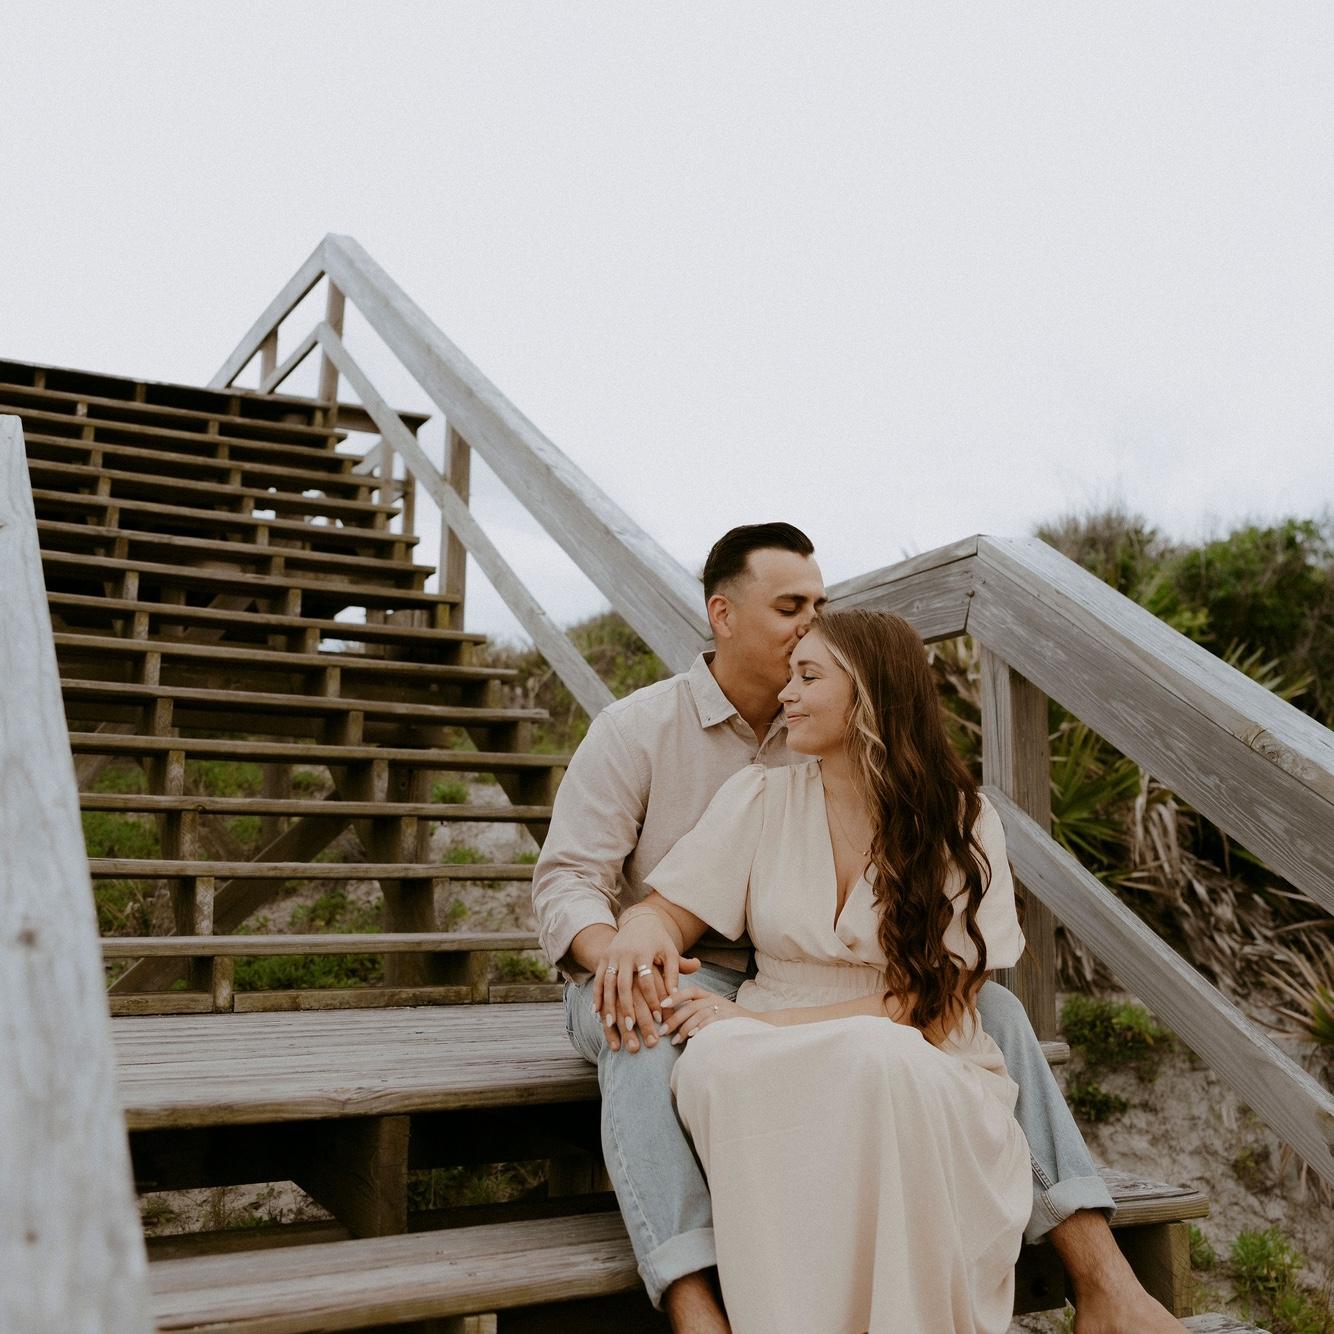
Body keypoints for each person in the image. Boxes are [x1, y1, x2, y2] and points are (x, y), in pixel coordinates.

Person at [533, 522, 1184, 1334]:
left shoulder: (877, 771)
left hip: (821, 988)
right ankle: (693, 1300)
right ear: (724, 615)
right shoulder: (642, 731)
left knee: (992, 1012)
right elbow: (571, 881)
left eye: (820, 610)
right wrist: (628, 942)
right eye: (791, 608)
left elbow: (939, 983)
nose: (810, 624)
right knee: (640, 1022)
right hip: (672, 969)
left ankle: (1104, 1279)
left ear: (865, 694)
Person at [606, 608, 1028, 1331]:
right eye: (790, 676)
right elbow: (670, 911)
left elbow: (934, 1008)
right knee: (713, 1062)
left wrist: (758, 1020)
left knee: (878, 1056)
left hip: (915, 1045)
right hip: (772, 1032)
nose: (786, 695)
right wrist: (640, 931)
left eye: (808, 677)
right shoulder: (760, 797)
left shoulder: (961, 820)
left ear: (870, 692)